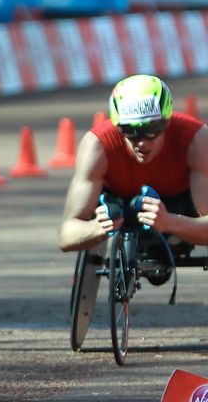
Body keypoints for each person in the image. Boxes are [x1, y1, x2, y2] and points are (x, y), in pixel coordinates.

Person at [58, 74, 208, 282]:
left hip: (177, 204)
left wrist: (171, 222)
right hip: (119, 203)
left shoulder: (196, 140)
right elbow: (66, 236)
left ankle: (170, 240)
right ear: (117, 126)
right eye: (130, 131)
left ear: (167, 121)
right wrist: (97, 228)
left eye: (152, 131)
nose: (142, 143)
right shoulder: (97, 146)